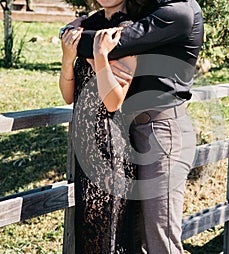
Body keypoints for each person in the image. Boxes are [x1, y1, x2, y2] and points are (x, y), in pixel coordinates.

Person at [64, 0, 204, 253]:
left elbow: (114, 43)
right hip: (130, 131)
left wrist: (70, 35)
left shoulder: (177, 12)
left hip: (161, 132)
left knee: (160, 237)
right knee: (135, 236)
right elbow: (107, 19)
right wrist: (77, 26)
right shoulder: (149, 7)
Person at [59, 0, 141, 253]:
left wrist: (101, 56)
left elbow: (113, 101)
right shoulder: (86, 26)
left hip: (110, 152)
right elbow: (68, 96)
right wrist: (67, 57)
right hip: (84, 152)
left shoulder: (128, 32)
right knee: (88, 235)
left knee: (107, 239)